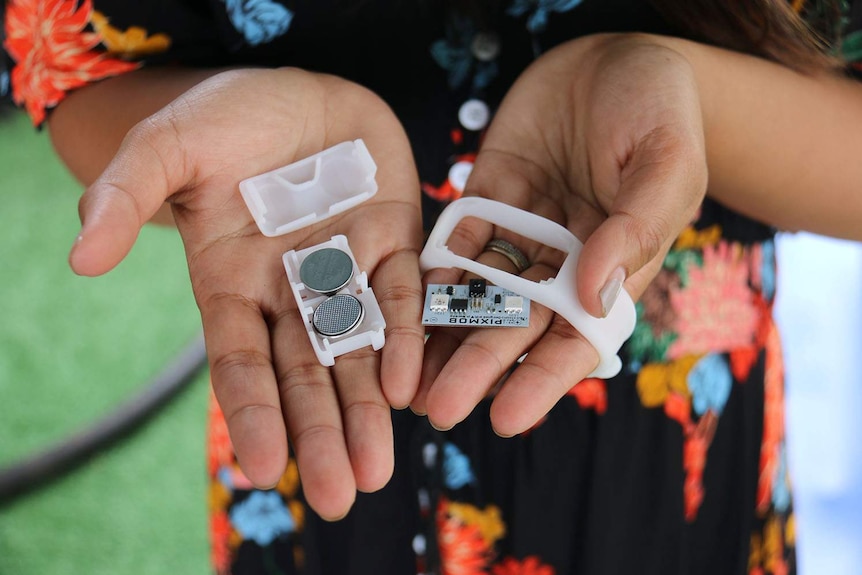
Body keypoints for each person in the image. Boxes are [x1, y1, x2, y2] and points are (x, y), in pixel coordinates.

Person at [3, 0, 862, 573]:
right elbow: (71, 73)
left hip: (666, 444)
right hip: (317, 399)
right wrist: (192, 135)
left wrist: (691, 95)